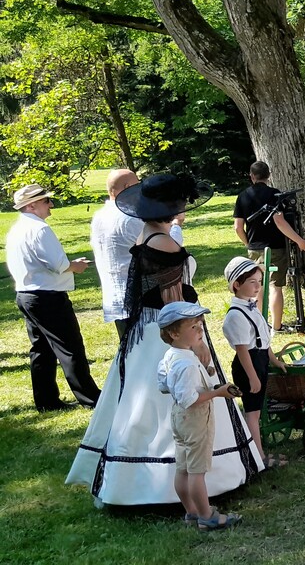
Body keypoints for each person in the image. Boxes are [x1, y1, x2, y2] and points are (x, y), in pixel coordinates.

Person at [68, 174, 262, 506]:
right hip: (170, 331)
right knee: (178, 397)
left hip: (147, 329)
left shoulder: (146, 233)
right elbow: (174, 302)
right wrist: (196, 343)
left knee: (139, 399)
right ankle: (188, 485)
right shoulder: (164, 243)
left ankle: (134, 481)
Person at [6, 184, 102, 411]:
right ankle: (91, 398)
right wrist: (76, 266)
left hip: (27, 295)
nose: (51, 205)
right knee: (70, 348)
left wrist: (71, 265)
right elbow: (59, 265)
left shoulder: (17, 229)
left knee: (41, 349)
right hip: (47, 297)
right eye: (46, 201)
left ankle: (46, 401)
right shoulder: (39, 229)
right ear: (31, 206)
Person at [156, 301, 244, 530]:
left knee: (183, 468)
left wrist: (204, 373)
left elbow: (164, 385)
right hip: (194, 419)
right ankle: (207, 516)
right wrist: (218, 392)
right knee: (196, 472)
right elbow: (190, 399)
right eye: (193, 327)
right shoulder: (186, 363)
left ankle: (192, 512)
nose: (200, 331)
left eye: (200, 325)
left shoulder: (174, 355)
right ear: (174, 333)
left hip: (179, 418)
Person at [222, 257, 288, 469]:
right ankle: (258, 458)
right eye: (252, 282)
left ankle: (259, 453)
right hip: (248, 365)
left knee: (256, 411)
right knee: (252, 413)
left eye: (259, 281)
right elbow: (243, 350)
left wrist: (274, 360)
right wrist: (252, 377)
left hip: (259, 361)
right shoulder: (236, 315)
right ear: (236, 285)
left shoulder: (252, 307)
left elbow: (263, 341)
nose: (258, 286)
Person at [233, 160, 305, 332]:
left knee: (258, 286)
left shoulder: (242, 196)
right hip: (275, 247)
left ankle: (261, 324)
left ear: (252, 176)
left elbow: (238, 227)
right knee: (275, 286)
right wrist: (299, 240)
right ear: (268, 175)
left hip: (254, 248)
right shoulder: (275, 195)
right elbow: (280, 222)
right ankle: (276, 326)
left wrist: (248, 243)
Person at [90, 169, 143, 340]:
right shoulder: (130, 218)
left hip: (114, 296)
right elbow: (159, 248)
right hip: (137, 298)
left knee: (128, 349)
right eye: (137, 185)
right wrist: (175, 225)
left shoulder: (99, 216)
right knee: (145, 351)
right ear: (127, 187)